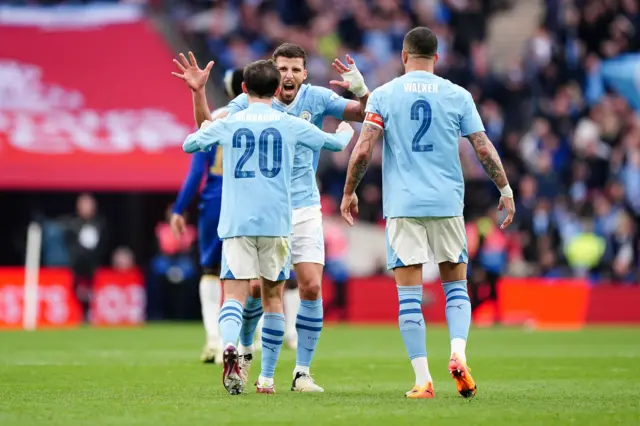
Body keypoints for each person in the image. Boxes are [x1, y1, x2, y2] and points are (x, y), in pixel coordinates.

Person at [173, 43, 369, 392]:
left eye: (295, 69)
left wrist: (360, 89)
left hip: (295, 208)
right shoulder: (275, 118)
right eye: (283, 69)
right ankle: (250, 356)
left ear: (304, 74)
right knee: (260, 293)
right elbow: (338, 139)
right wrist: (342, 135)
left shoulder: (315, 98)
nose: (289, 75)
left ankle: (298, 372)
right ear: (275, 78)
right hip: (273, 213)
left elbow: (200, 135)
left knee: (307, 286)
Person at [340, 27, 515, 399]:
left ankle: (423, 381)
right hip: (447, 204)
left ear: (404, 56)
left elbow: (363, 149)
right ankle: (458, 353)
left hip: (404, 207)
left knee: (409, 297)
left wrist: (349, 192)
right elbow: (482, 147)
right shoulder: (458, 95)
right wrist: (505, 188)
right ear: (437, 57)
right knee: (455, 288)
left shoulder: (385, 95)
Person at [170, 57, 246, 363]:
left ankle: (214, 340)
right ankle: (244, 342)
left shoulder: (213, 118)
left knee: (211, 270)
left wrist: (179, 208)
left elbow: (195, 171)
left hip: (215, 199)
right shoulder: (267, 118)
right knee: (248, 271)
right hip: (248, 199)